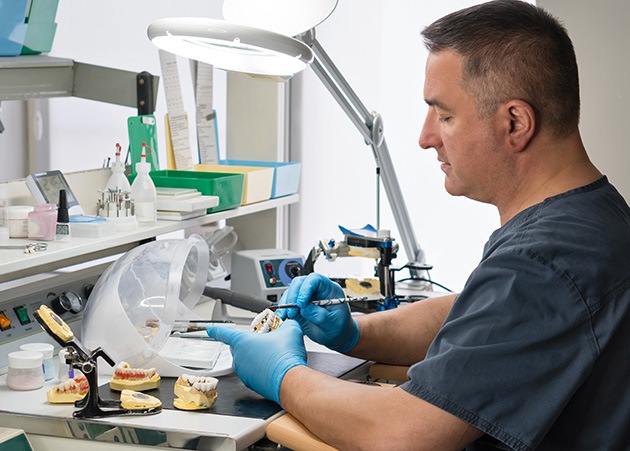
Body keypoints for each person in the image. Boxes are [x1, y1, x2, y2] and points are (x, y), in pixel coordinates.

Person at [207, 1, 630, 449]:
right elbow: (479, 318)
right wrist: (354, 331)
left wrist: (283, 375)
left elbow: (402, 435)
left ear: (515, 122)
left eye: (445, 115)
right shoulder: (592, 216)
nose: (426, 137)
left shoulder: (543, 261)